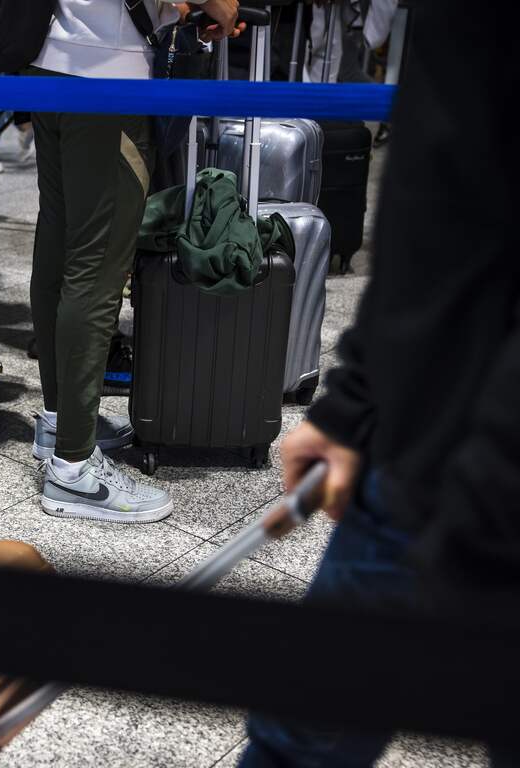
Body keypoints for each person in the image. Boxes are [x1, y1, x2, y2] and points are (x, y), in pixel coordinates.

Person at [237, 0, 520, 764]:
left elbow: (447, 180)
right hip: (439, 426)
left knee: (303, 739)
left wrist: (358, 401)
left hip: (441, 439)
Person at [28, 0, 243, 524]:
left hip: (47, 61)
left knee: (59, 252)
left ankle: (61, 424)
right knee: (97, 271)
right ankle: (74, 470)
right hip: (109, 71)